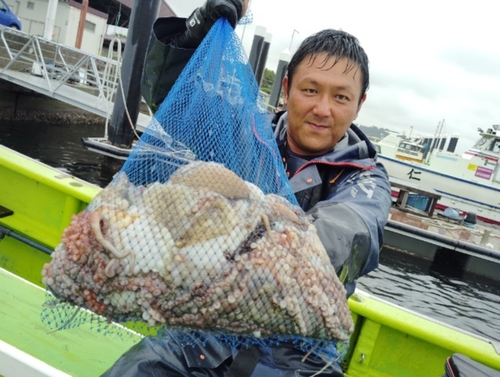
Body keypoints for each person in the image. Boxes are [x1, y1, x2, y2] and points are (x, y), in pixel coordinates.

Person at [102, 1, 392, 376]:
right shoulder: (244, 133)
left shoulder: (366, 180)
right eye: (310, 90)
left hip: (297, 355)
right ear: (286, 89)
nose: (322, 108)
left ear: (359, 105)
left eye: (340, 97)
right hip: (203, 331)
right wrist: (191, 35)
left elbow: (349, 233)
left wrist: (262, 243)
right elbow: (174, 95)